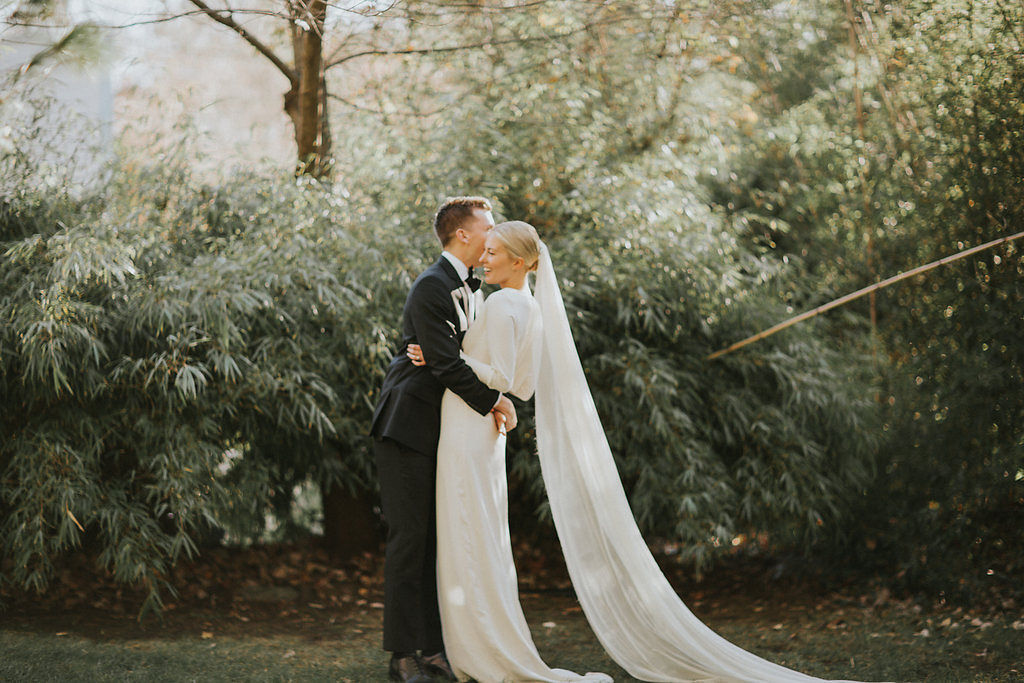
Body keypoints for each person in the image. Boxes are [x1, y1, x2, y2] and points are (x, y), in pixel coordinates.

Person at [408, 221, 851, 682]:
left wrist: (447, 356)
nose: (483, 259)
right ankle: (481, 643)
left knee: (467, 527)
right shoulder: (528, 305)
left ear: (518, 262)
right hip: (482, 426)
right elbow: (523, 387)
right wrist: (492, 392)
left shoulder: (502, 305)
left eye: (493, 252)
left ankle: (483, 649)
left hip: (468, 424)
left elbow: (501, 377)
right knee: (478, 529)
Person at [370, 196, 518, 683]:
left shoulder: (472, 288)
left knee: (440, 541)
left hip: (443, 432)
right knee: (409, 541)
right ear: (462, 234)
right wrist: (495, 402)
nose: (495, 234)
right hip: (406, 428)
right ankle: (402, 656)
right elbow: (446, 363)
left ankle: (435, 648)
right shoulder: (432, 285)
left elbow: (449, 356)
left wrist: (439, 355)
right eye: (488, 227)